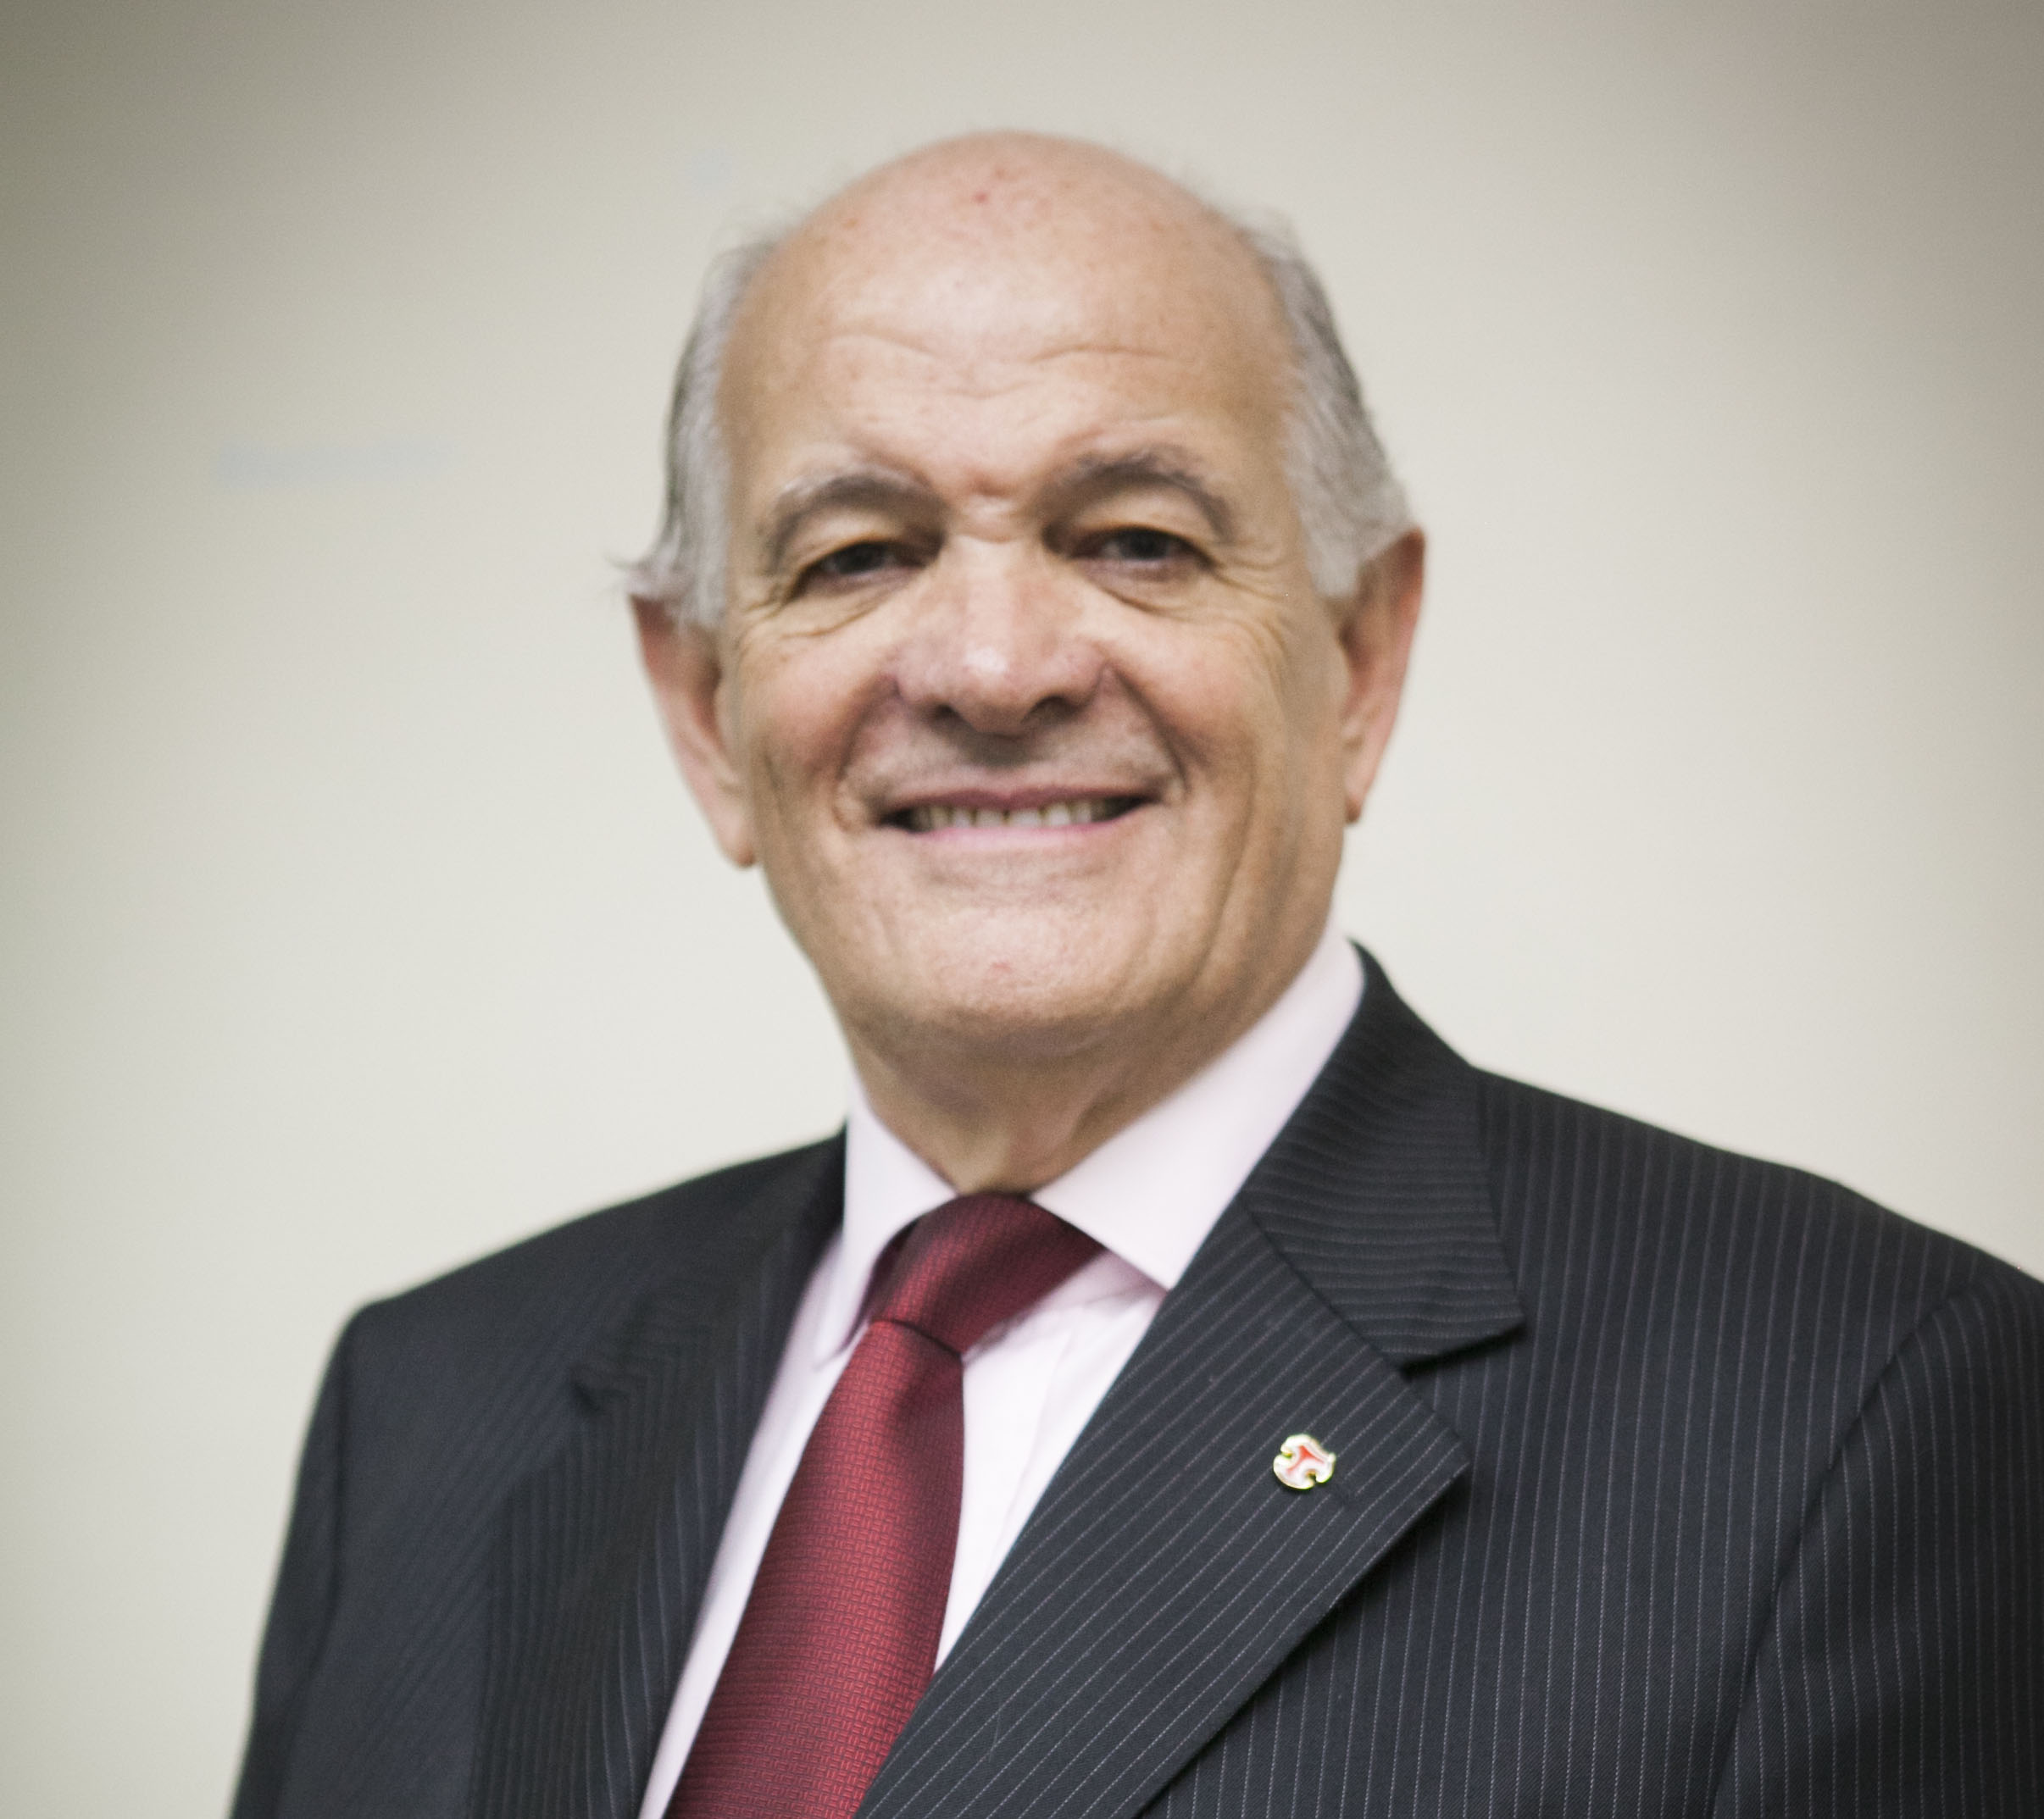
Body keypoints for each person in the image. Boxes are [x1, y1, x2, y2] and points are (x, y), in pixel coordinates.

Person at [230, 133, 2044, 1819]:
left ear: (1360, 658)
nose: (995, 666)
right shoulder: (431, 1407)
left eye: (1136, 540)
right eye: (858, 554)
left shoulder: (1862, 1415)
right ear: (706, 711)